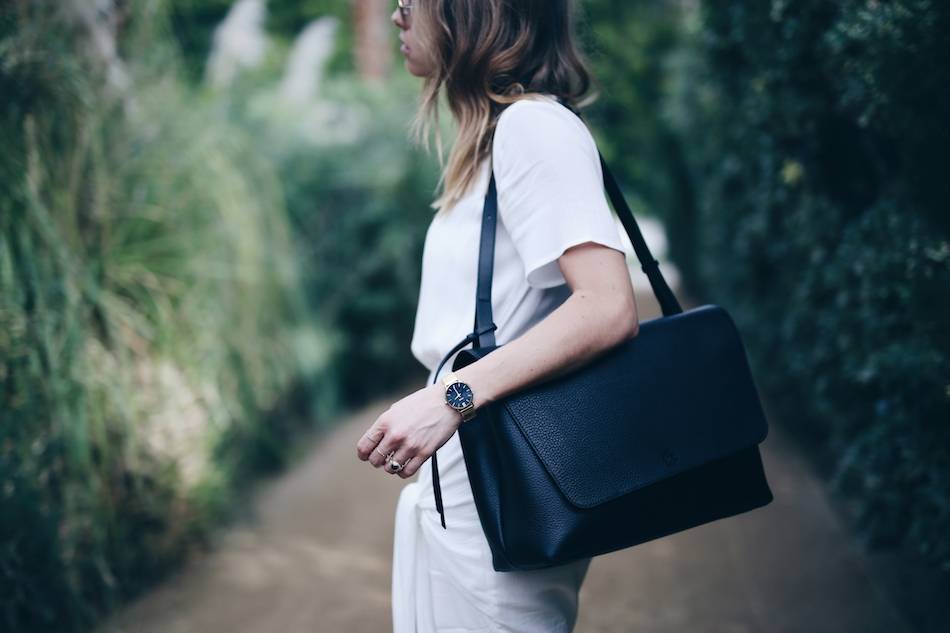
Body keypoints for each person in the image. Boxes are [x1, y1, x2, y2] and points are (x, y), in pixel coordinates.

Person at [355, 1, 640, 630]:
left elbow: (607, 306)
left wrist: (450, 397)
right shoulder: (492, 140)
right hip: (469, 495)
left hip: (503, 499)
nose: (398, 18)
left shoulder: (533, 129)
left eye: (410, 3)